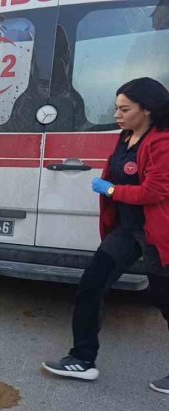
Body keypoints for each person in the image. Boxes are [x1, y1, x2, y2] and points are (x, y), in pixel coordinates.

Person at [43, 77, 169, 391]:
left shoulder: (163, 143)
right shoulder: (125, 137)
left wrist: (112, 189)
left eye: (125, 109)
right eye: (117, 108)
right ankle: (82, 359)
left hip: (156, 233)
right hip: (126, 230)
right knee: (91, 284)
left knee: (165, 301)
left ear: (148, 110)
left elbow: (154, 192)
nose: (118, 114)